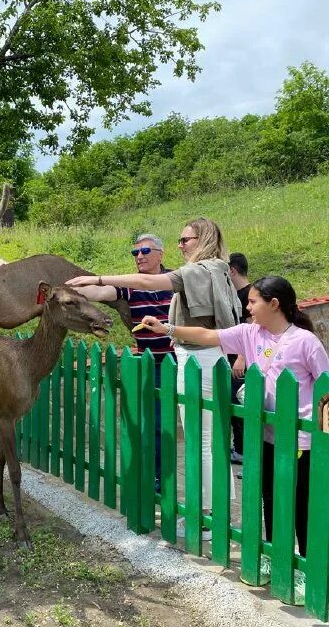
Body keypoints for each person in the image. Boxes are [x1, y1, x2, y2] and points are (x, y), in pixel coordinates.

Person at [68, 217, 242, 540]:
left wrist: (98, 276)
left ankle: (208, 519)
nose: (181, 245)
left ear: (202, 239)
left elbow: (146, 283)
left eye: (185, 239)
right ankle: (216, 513)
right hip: (208, 359)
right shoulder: (218, 269)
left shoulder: (195, 272)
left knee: (201, 443)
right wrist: (168, 329)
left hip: (196, 362)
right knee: (210, 442)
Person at [140, 276, 329, 557]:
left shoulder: (305, 341)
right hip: (267, 435)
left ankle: (305, 562)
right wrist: (168, 328)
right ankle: (275, 557)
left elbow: (326, 387)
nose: (247, 307)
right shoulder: (250, 333)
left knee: (301, 502)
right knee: (270, 498)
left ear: (274, 304)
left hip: (301, 440)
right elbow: (208, 336)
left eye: (253, 302)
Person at [65, 233, 175, 492]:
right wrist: (70, 290)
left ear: (160, 254)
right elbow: (101, 292)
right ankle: (154, 476)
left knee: (174, 423)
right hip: (149, 364)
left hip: (178, 362)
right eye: (135, 253)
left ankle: (169, 478)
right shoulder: (131, 285)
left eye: (145, 251)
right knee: (150, 423)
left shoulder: (175, 280)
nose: (139, 257)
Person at [228, 253, 252, 470]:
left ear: (232, 271)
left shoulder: (248, 296)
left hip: (241, 363)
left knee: (240, 405)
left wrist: (241, 358)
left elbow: (253, 329)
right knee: (234, 407)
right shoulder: (234, 295)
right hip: (233, 360)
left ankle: (243, 450)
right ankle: (239, 448)